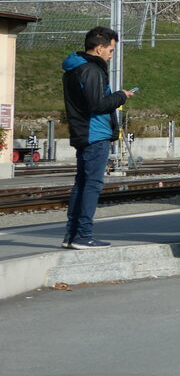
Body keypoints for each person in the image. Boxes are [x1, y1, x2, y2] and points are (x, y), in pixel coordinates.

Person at [61, 26, 135, 250]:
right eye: (111, 50)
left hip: (84, 132)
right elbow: (98, 104)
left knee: (82, 184)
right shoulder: (91, 71)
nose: (111, 55)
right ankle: (83, 235)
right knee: (91, 185)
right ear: (100, 48)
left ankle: (72, 235)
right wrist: (121, 96)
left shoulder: (74, 69)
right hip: (95, 134)